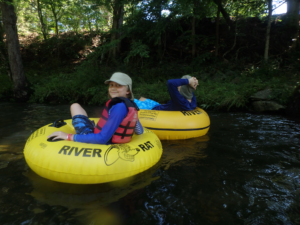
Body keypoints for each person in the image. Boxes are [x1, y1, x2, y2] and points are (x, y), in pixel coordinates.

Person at [47, 72, 144, 144]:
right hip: (105, 135)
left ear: (128, 91)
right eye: (111, 85)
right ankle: (90, 124)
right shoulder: (131, 106)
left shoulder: (119, 107)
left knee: (75, 106)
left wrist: (68, 136)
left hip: (100, 140)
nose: (113, 88)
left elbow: (102, 139)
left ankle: (87, 126)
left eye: (118, 85)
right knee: (77, 107)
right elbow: (140, 131)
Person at [134, 75, 198, 111]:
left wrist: (189, 81)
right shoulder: (192, 101)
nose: (178, 86)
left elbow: (170, 83)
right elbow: (188, 90)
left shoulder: (180, 101)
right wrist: (193, 82)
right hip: (160, 106)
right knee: (142, 98)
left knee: (132, 100)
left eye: (180, 85)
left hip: (152, 109)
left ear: (182, 89)